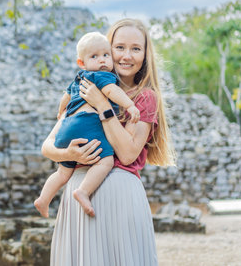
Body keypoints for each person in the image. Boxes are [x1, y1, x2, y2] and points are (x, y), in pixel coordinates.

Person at [41, 18, 176, 266]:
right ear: (107, 49)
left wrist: (103, 105)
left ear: (145, 55)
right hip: (78, 192)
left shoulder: (144, 98)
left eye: (136, 48)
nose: (127, 55)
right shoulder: (84, 85)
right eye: (120, 47)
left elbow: (126, 154)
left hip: (120, 196)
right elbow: (48, 146)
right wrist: (71, 154)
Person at [34, 32, 140, 218]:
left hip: (67, 126)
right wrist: (129, 104)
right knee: (106, 161)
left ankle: (43, 199)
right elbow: (112, 91)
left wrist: (61, 112)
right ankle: (83, 191)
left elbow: (65, 96)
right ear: (82, 62)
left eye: (106, 55)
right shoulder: (101, 76)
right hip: (87, 124)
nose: (102, 61)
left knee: (62, 173)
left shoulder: (79, 78)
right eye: (95, 56)